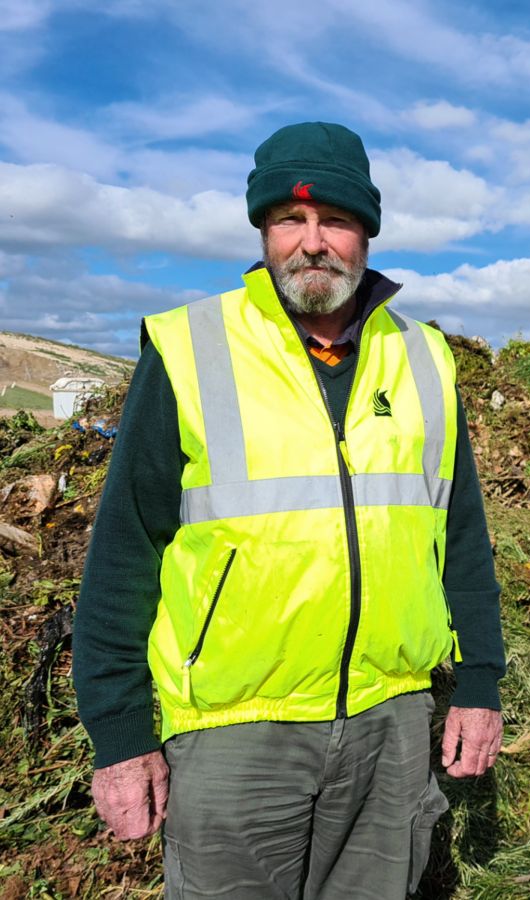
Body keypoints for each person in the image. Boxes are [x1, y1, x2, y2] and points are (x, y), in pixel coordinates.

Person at [72, 121, 506, 898]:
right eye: (289, 220)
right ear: (264, 231)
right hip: (236, 730)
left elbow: (462, 537)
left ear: (366, 233)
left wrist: (479, 683)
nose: (313, 242)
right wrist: (120, 735)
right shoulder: (190, 346)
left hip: (391, 718)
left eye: (335, 220)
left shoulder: (423, 358)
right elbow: (125, 551)